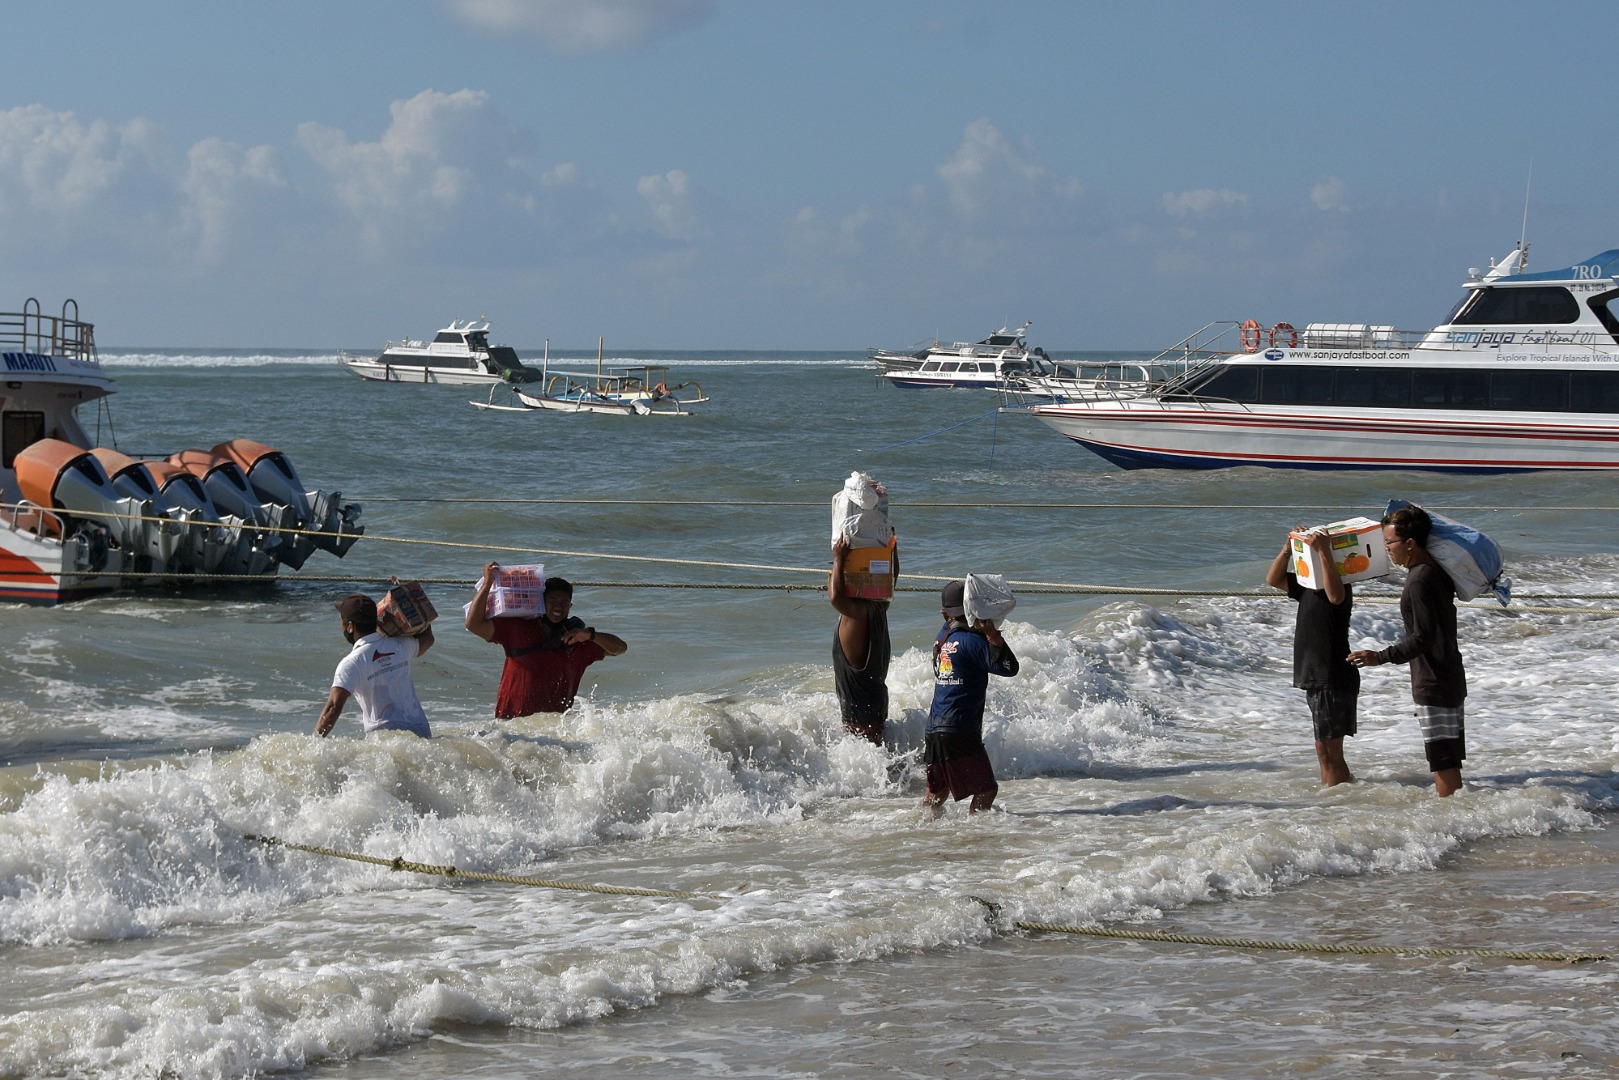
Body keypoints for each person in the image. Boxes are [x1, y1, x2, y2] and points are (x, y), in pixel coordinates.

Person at [1348, 506, 1467, 797]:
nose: (1386, 549)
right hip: (1449, 673)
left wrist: (1380, 656)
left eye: (1389, 543)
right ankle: (1463, 822)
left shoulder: (1419, 580)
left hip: (1434, 679)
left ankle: (1456, 826)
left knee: (1442, 762)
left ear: (1410, 543)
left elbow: (1423, 637)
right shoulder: (1436, 572)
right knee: (1448, 758)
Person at [465, 562, 627, 717]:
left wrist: (591, 635)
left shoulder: (578, 640)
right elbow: (473, 624)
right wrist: (487, 585)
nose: (559, 606)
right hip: (511, 727)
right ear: (540, 602)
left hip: (556, 730)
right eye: (553, 600)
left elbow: (620, 648)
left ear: (570, 607)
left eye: (564, 602)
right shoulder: (518, 628)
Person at [1265, 529, 1358, 786]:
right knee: (1324, 748)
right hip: (1316, 676)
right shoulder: (1307, 587)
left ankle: (1337, 799)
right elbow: (1273, 578)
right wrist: (1288, 548)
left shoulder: (1338, 586)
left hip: (1332, 674)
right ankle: (1345, 793)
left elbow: (1336, 596)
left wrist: (1325, 550)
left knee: (1327, 749)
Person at [923, 579, 1019, 815]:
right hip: (959, 729)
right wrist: (993, 636)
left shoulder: (943, 637)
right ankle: (974, 837)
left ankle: (920, 828)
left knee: (937, 793)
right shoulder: (973, 643)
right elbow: (1009, 668)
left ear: (945, 614)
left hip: (934, 728)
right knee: (986, 790)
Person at [316, 593, 434, 738]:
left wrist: (312, 746)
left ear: (350, 627)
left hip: (386, 740)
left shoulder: (352, 663)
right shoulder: (400, 645)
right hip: (421, 733)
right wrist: (413, 606)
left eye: (341, 619)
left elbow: (333, 708)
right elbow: (428, 639)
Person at [828, 535, 894, 744]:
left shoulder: (857, 614)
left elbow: (836, 597)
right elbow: (892, 581)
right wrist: (891, 552)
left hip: (859, 717)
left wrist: (839, 559)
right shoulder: (880, 606)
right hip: (875, 707)